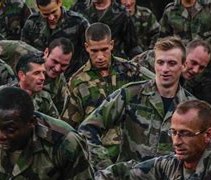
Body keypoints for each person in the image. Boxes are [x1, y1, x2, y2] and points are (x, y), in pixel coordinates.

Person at [79, 37, 195, 170]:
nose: (165, 69)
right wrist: (107, 169)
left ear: (184, 65)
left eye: (172, 63)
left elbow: (203, 151)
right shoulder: (130, 94)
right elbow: (87, 128)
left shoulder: (191, 107)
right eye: (160, 62)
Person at [62, 22, 153, 163]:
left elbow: (159, 88)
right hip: (99, 157)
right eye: (94, 51)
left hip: (134, 153)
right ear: (86, 47)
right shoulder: (77, 82)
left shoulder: (131, 71)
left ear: (111, 44)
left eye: (104, 49)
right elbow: (70, 126)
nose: (100, 57)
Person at [159, 0, 211, 106]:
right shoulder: (170, 10)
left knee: (206, 108)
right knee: (182, 107)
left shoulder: (210, 6)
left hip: (207, 72)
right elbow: (162, 42)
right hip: (183, 72)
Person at [0, 53, 59, 118]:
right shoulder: (0, 94)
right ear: (22, 75)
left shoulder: (44, 98)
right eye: (37, 73)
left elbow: (57, 125)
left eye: (43, 73)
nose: (42, 77)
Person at [21, 0, 89, 77]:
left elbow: (89, 51)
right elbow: (25, 53)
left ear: (59, 2)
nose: (51, 17)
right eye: (45, 14)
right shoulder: (32, 23)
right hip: (40, 79)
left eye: (54, 12)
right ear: (38, 8)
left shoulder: (78, 22)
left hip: (69, 77)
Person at [132, 38, 211, 103]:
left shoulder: (190, 81)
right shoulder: (154, 59)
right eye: (193, 62)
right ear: (184, 55)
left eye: (201, 67)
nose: (195, 70)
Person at [71, 0, 141, 58]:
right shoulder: (78, 8)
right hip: (83, 67)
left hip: (112, 66)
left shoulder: (122, 13)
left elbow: (132, 46)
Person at [42, 37, 74, 114]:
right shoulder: (21, 53)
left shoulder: (61, 85)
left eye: (64, 65)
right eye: (55, 61)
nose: (57, 68)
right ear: (46, 52)